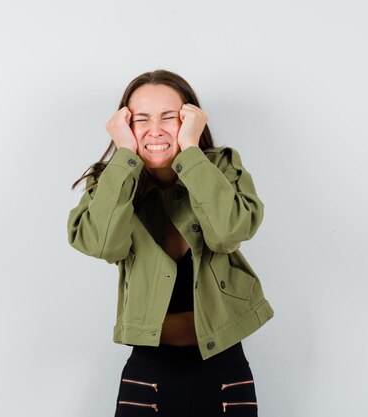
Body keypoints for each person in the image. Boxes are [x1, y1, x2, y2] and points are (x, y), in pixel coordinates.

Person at [67, 69, 274, 417]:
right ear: (124, 126)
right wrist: (124, 157)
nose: (155, 129)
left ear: (191, 119)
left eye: (170, 117)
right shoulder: (113, 182)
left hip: (224, 367)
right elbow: (101, 244)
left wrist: (191, 151)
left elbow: (228, 233)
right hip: (149, 371)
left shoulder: (222, 167)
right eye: (140, 119)